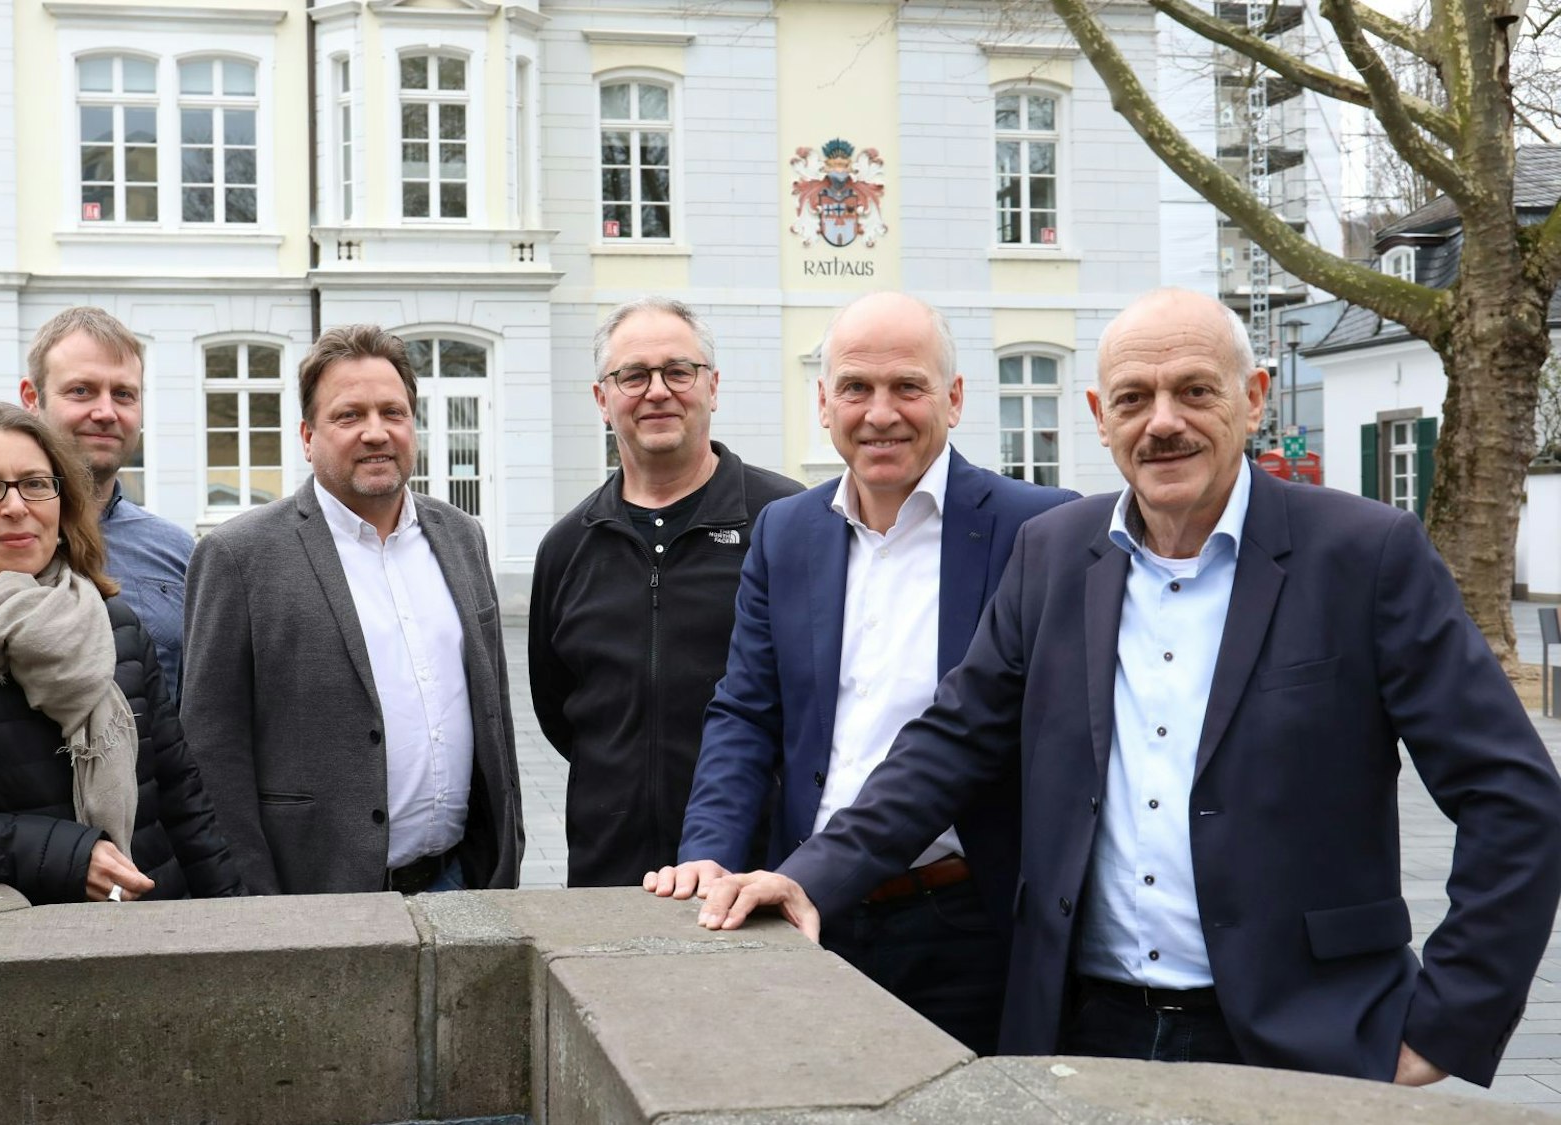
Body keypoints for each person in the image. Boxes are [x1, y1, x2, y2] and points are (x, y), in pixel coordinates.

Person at [694, 288, 1561, 1088]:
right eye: (1136, 399)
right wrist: (809, 877)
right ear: (1100, 417)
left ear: (1254, 397)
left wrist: (1451, 1021)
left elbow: (1514, 796)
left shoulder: (1366, 554)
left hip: (1308, 1033)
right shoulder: (1055, 552)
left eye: (1195, 390)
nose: (1164, 423)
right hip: (1082, 1026)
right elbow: (947, 743)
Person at [646, 292, 1072, 1053]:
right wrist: (707, 851)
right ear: (823, 401)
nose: (881, 413)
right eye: (855, 388)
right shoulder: (788, 529)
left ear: (955, 396)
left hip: (966, 918)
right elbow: (746, 710)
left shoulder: (1037, 529)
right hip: (809, 911)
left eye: (907, 386)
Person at [0, 401, 243, 906]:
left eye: (35, 483)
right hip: (18, 951)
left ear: (61, 501)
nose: (15, 507)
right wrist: (66, 857)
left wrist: (232, 915)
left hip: (156, 930)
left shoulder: (115, 624)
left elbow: (183, 801)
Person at [181, 324, 523, 895]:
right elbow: (213, 754)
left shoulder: (462, 537)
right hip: (318, 894)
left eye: (393, 412)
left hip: (461, 878)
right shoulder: (238, 557)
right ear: (307, 435)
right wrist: (251, 904)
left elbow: (495, 714)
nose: (375, 432)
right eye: (348, 416)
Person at [529, 297, 802, 887]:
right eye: (633, 375)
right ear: (603, 398)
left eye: (678, 372)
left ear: (713, 387)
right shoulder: (567, 548)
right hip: (609, 877)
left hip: (755, 873)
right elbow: (558, 711)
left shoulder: (785, 523)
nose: (657, 391)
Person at [20, 307, 194, 702]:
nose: (105, 412)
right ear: (32, 398)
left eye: (123, 394)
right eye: (81, 390)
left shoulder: (177, 553)